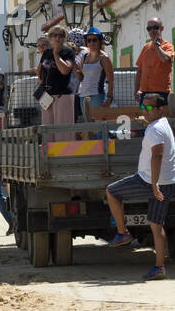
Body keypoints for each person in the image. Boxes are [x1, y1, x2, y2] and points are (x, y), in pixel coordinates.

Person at [105, 92, 175, 280]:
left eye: (150, 108)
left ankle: (122, 233)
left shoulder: (155, 130)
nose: (146, 110)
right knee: (156, 226)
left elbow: (157, 155)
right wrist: (146, 121)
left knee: (111, 191)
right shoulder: (163, 123)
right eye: (144, 106)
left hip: (148, 181)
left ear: (161, 109)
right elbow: (156, 132)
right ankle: (159, 267)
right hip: (167, 181)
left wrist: (153, 186)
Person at [39, 26, 76, 126]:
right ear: (50, 38)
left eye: (61, 35)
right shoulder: (46, 53)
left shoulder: (68, 52)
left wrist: (56, 54)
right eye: (54, 35)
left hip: (63, 95)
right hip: (46, 95)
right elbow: (40, 70)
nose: (57, 38)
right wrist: (42, 84)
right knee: (47, 129)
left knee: (63, 129)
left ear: (64, 38)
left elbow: (65, 70)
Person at [75, 27, 113, 114]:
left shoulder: (104, 58)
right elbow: (81, 78)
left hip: (97, 96)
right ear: (86, 42)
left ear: (100, 41)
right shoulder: (84, 57)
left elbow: (111, 80)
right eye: (89, 40)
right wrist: (74, 68)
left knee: (98, 124)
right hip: (83, 96)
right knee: (87, 125)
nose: (91, 42)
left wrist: (109, 98)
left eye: (94, 40)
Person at [136, 17, 174, 100]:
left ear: (162, 28)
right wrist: (136, 90)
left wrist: (157, 45)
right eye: (149, 28)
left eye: (155, 28)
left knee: (160, 112)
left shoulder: (168, 46)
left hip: (161, 93)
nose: (152, 31)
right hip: (144, 93)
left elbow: (165, 59)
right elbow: (140, 70)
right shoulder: (146, 47)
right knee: (145, 111)